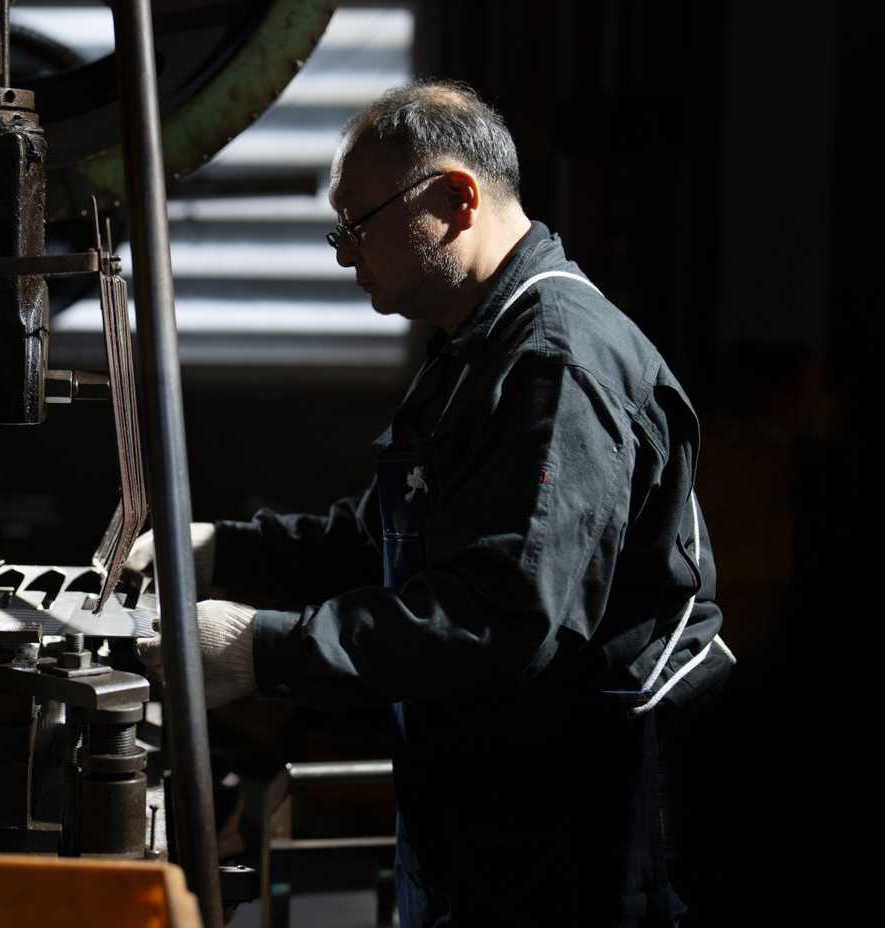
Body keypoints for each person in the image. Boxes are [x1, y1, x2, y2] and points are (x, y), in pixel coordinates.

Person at [132, 81, 734, 927]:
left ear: (456, 198)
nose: (345, 257)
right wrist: (220, 550)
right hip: (492, 802)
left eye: (358, 226)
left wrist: (259, 652)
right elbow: (389, 537)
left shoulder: (557, 363)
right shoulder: (479, 345)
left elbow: (499, 619)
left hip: (579, 823)